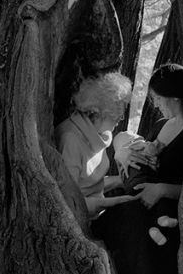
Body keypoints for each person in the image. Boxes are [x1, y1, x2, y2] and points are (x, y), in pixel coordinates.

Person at [91, 63, 183, 274]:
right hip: (141, 197)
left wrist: (161, 189)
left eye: (158, 98)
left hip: (169, 207)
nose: (155, 104)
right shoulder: (160, 125)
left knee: (128, 218)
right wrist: (126, 157)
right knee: (116, 219)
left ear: (174, 97)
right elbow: (142, 157)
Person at [54, 72, 137, 216]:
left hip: (97, 213)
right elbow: (69, 200)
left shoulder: (97, 133)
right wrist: (113, 202)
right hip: (80, 220)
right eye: (118, 113)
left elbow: (89, 185)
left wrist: (122, 180)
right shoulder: (70, 139)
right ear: (99, 113)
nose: (122, 118)